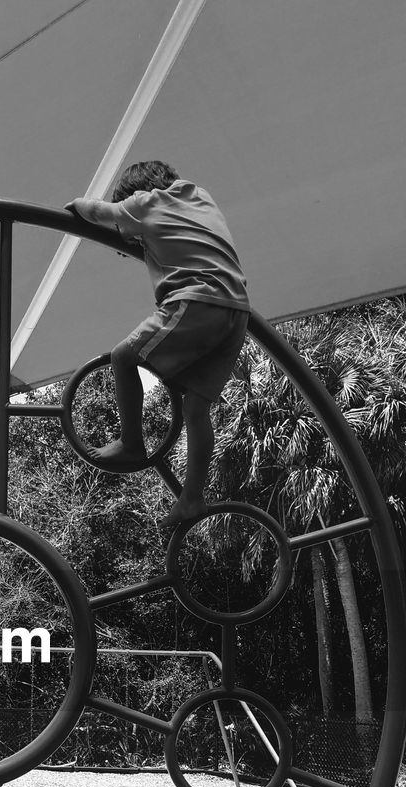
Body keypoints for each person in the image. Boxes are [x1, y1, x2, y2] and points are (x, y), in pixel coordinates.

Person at [66, 160, 249, 526]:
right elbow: (172, 234)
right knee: (196, 410)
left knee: (123, 355)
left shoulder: (144, 202)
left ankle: (131, 442)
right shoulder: (200, 197)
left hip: (196, 299)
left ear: (136, 193)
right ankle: (192, 498)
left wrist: (75, 206)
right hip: (237, 311)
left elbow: (98, 212)